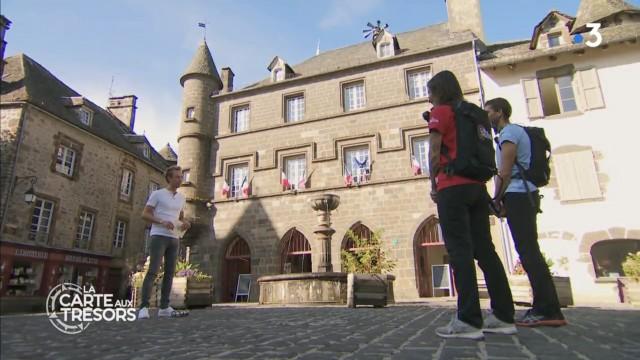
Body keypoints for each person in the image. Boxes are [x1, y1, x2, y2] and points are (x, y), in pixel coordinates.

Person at [427, 71, 516, 339]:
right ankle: (503, 316)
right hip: (477, 187)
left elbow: (433, 153)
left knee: (459, 252)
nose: (429, 97)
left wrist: (433, 184)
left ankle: (468, 320)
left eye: (430, 92)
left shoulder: (440, 112)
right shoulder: (474, 114)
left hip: (452, 186)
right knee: (485, 251)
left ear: (440, 91)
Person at [485, 97, 567, 327]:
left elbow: (505, 171)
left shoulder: (509, 133)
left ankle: (547, 309)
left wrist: (496, 199)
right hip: (523, 195)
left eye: (488, 111)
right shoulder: (512, 133)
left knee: (529, 252)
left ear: (500, 112)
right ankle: (546, 307)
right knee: (529, 251)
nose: (487, 116)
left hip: (519, 195)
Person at [138, 165, 191, 319]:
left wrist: (186, 223)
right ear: (169, 178)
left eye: (181, 177)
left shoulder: (181, 198)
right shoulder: (157, 194)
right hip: (159, 235)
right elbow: (145, 214)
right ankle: (144, 307)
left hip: (174, 237)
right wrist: (161, 221)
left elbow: (180, 217)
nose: (180, 179)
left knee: (169, 272)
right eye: (177, 177)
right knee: (153, 270)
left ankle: (164, 307)